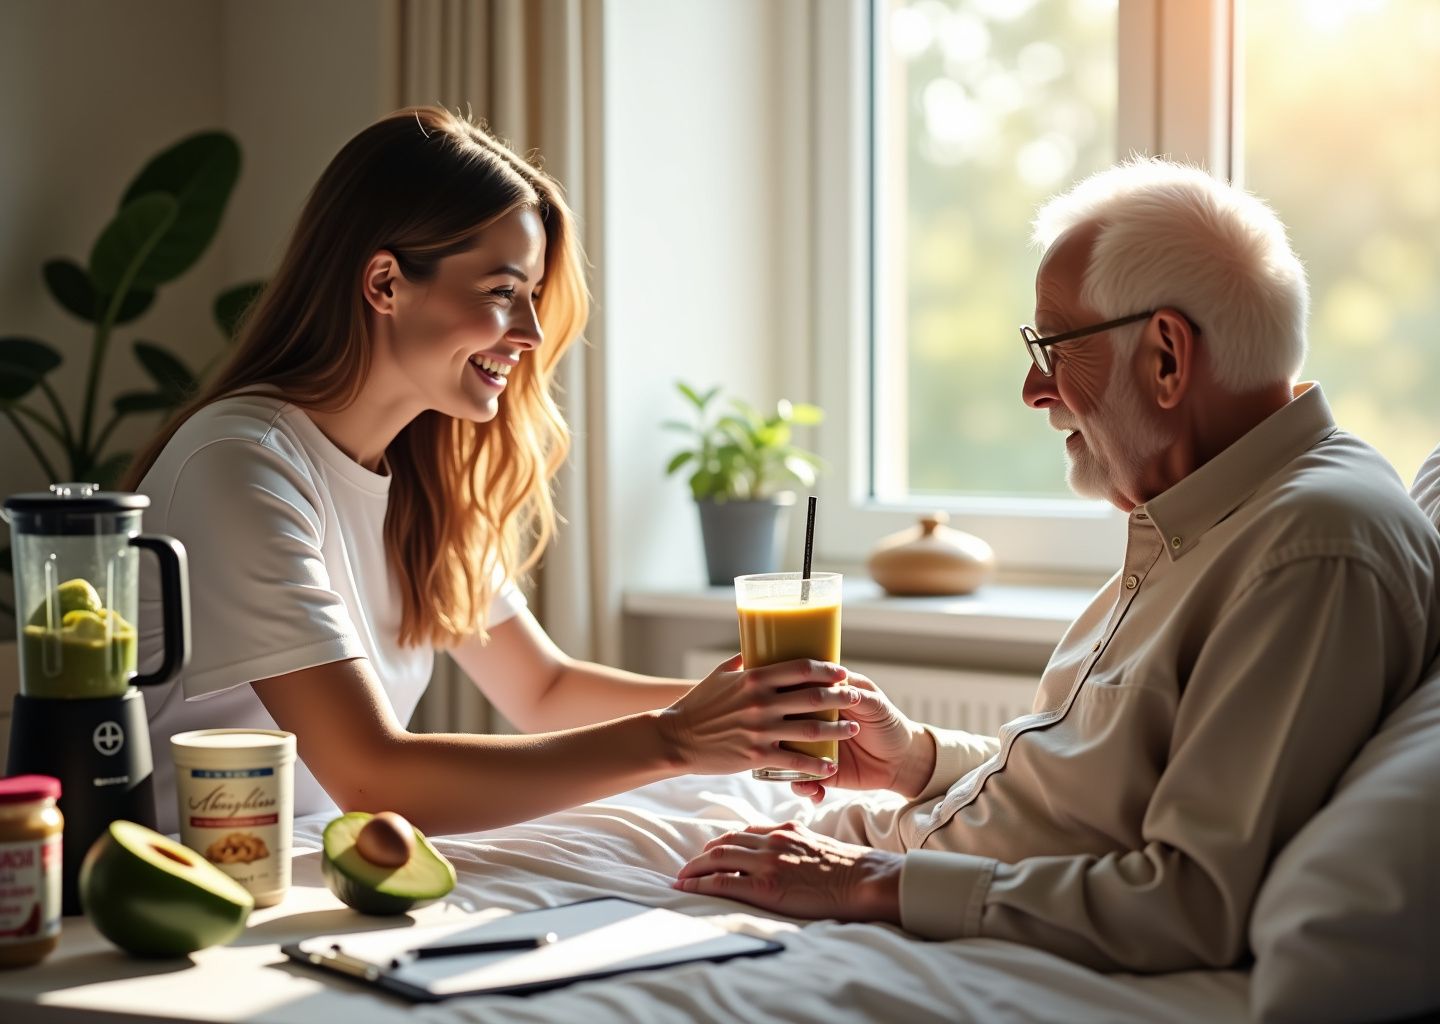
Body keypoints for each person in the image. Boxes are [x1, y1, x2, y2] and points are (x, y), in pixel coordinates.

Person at [675, 158, 1440, 972]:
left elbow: (1194, 900)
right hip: (905, 857)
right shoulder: (1213, 508)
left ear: (1168, 357)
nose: (1033, 389)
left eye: (1053, 345)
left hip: (911, 914)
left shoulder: (1308, 550)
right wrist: (920, 761)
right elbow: (1095, 787)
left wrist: (869, 884)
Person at [128, 107, 858, 835]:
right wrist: (674, 742)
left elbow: (543, 688)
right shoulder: (241, 466)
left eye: (533, 297)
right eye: (503, 292)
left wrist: (761, 706)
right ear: (384, 283)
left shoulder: (422, 478)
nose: (533, 335)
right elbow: (371, 775)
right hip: (186, 881)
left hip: (318, 860)